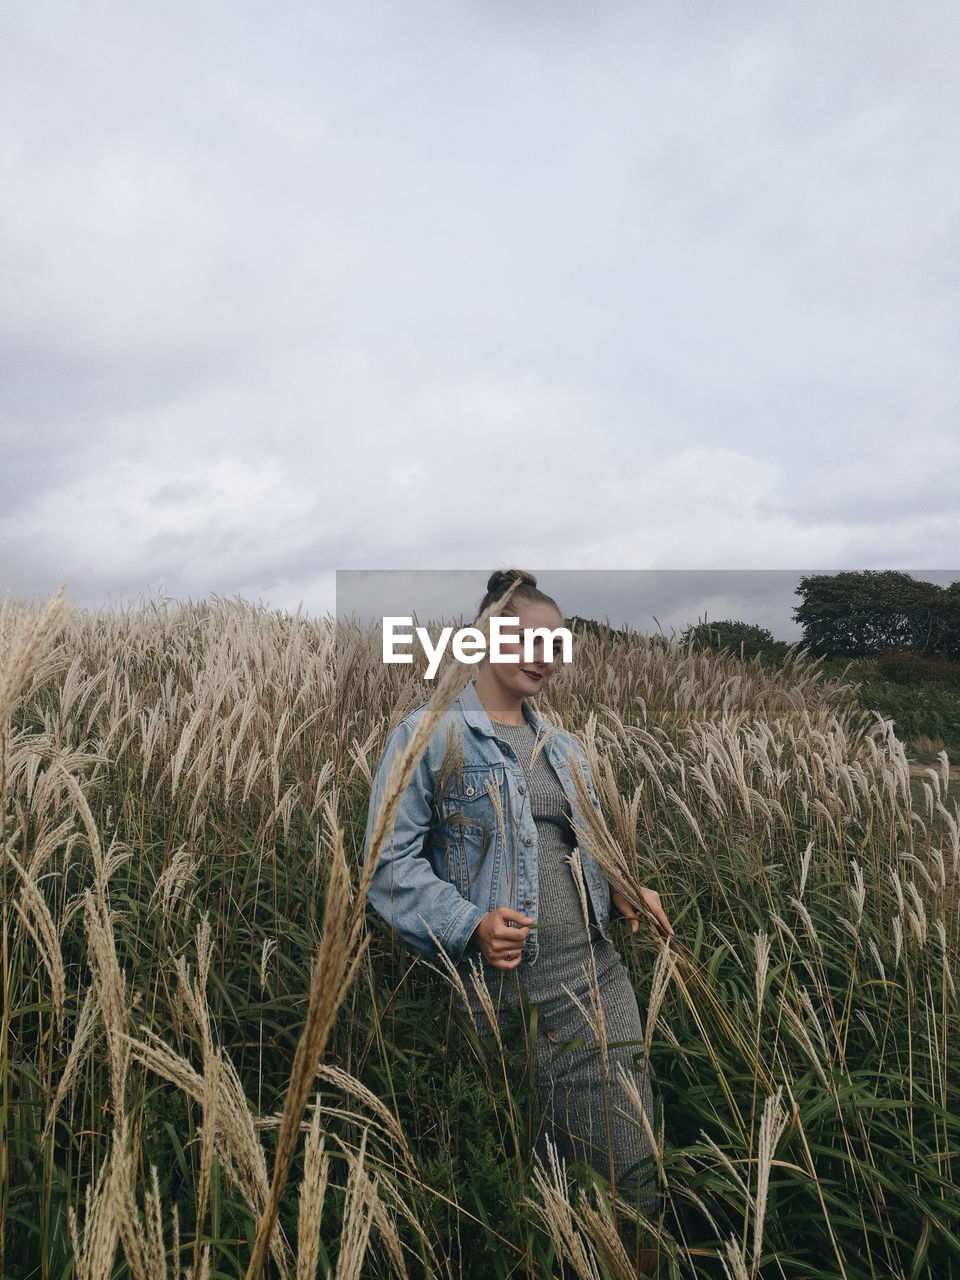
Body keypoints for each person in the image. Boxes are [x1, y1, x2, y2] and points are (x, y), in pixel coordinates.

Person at [363, 570, 673, 1265]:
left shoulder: (566, 749)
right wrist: (467, 920)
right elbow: (385, 865)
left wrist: (627, 885)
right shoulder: (429, 735)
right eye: (527, 638)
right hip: (495, 999)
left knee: (631, 1178)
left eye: (556, 644)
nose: (545, 655)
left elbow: (583, 846)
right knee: (529, 1193)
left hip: (594, 981)